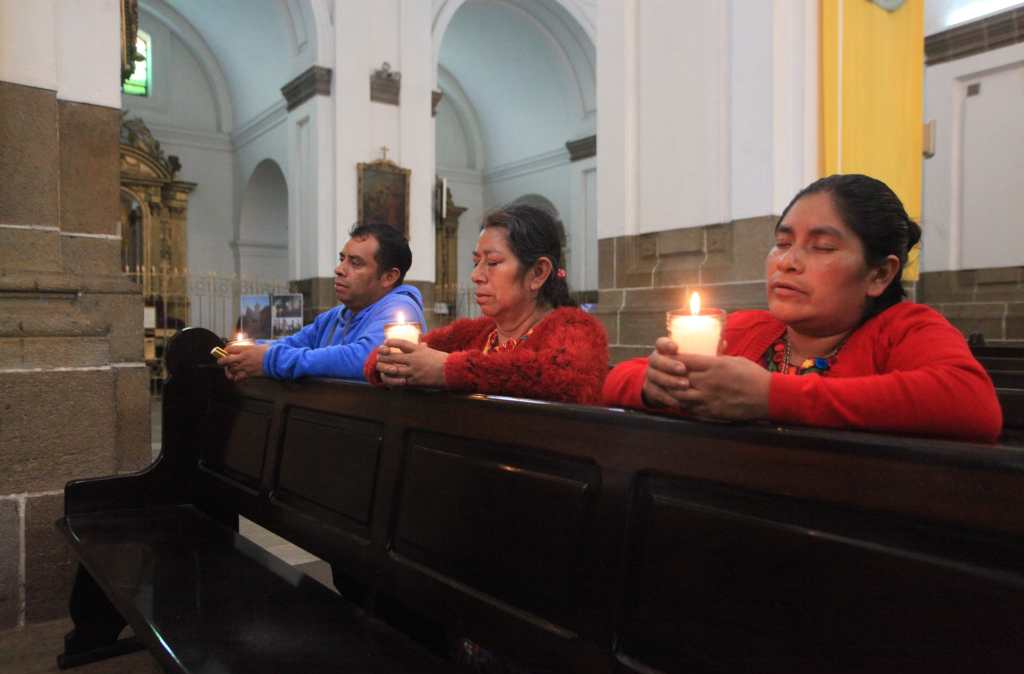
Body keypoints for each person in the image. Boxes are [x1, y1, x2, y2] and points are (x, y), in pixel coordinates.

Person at [603, 174, 1003, 442]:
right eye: (782, 242)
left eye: (822, 247)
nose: (787, 262)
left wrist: (771, 396)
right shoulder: (748, 330)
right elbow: (617, 379)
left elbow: (972, 404)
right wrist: (656, 386)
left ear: (879, 274)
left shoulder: (905, 329)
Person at [364, 204, 608, 404]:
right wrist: (387, 367)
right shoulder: (473, 333)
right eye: (476, 262)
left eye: (492, 263)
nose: (476, 275)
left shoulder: (577, 328)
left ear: (538, 273)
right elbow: (378, 357)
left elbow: (567, 380)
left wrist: (448, 370)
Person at [219, 223, 427, 382]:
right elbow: (293, 343)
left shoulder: (401, 310)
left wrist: (269, 360)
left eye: (355, 263)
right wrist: (245, 353)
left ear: (389, 277)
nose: (339, 269)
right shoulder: (335, 316)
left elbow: (364, 358)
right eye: (342, 259)